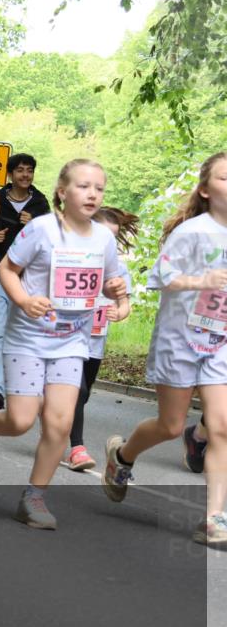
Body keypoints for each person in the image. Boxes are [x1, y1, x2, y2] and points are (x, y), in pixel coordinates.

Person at [0, 159, 127, 530]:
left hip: (72, 342)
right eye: (83, 186)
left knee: (59, 424)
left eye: (99, 188)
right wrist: (23, 300)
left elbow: (111, 282)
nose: (92, 194)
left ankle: (34, 497)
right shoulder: (41, 229)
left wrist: (120, 298)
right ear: (62, 192)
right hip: (29, 338)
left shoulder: (103, 238)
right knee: (21, 419)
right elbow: (7, 269)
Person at [102, 152, 227, 546]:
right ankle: (122, 456)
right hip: (180, 339)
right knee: (171, 426)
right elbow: (162, 276)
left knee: (222, 426)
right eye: (225, 178)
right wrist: (202, 280)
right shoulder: (192, 232)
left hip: (220, 342)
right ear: (205, 190)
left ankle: (214, 519)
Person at [0, 153, 50, 412]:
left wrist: (35, 223)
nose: (25, 175)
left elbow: (48, 236)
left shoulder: (40, 203)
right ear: (10, 174)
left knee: (15, 334)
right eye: (20, 170)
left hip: (25, 279)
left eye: (29, 170)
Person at [66, 206, 137, 470]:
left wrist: (120, 311)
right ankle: (77, 448)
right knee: (78, 391)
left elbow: (125, 303)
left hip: (95, 341)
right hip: (68, 337)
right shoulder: (72, 256)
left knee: (82, 396)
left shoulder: (119, 268)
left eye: (113, 238)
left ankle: (57, 425)